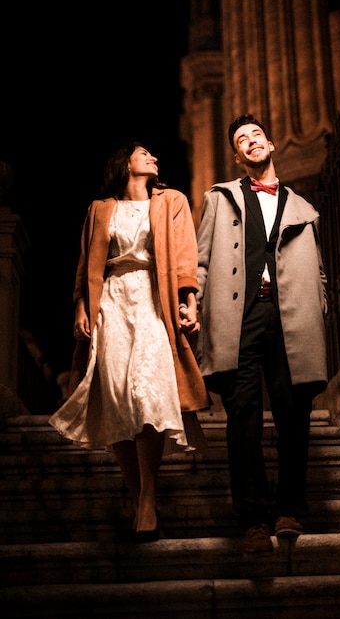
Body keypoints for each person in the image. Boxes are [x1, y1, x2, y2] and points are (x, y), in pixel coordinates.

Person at [49, 140, 211, 541]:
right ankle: (142, 500)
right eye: (144, 154)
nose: (153, 157)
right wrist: (81, 307)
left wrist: (189, 302)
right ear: (125, 164)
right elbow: (86, 263)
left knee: (149, 392)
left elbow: (185, 256)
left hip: (154, 301)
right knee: (120, 397)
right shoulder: (100, 208)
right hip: (112, 302)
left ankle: (148, 497)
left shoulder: (172, 201)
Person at [196, 114, 328, 553]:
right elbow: (200, 260)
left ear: (270, 145)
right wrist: (191, 304)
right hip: (241, 317)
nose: (250, 142)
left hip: (290, 317)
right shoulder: (221, 199)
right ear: (238, 156)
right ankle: (253, 518)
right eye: (241, 140)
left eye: (256, 135)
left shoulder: (302, 207)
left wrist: (319, 305)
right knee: (243, 416)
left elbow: (319, 271)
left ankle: (288, 507)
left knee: (294, 413)